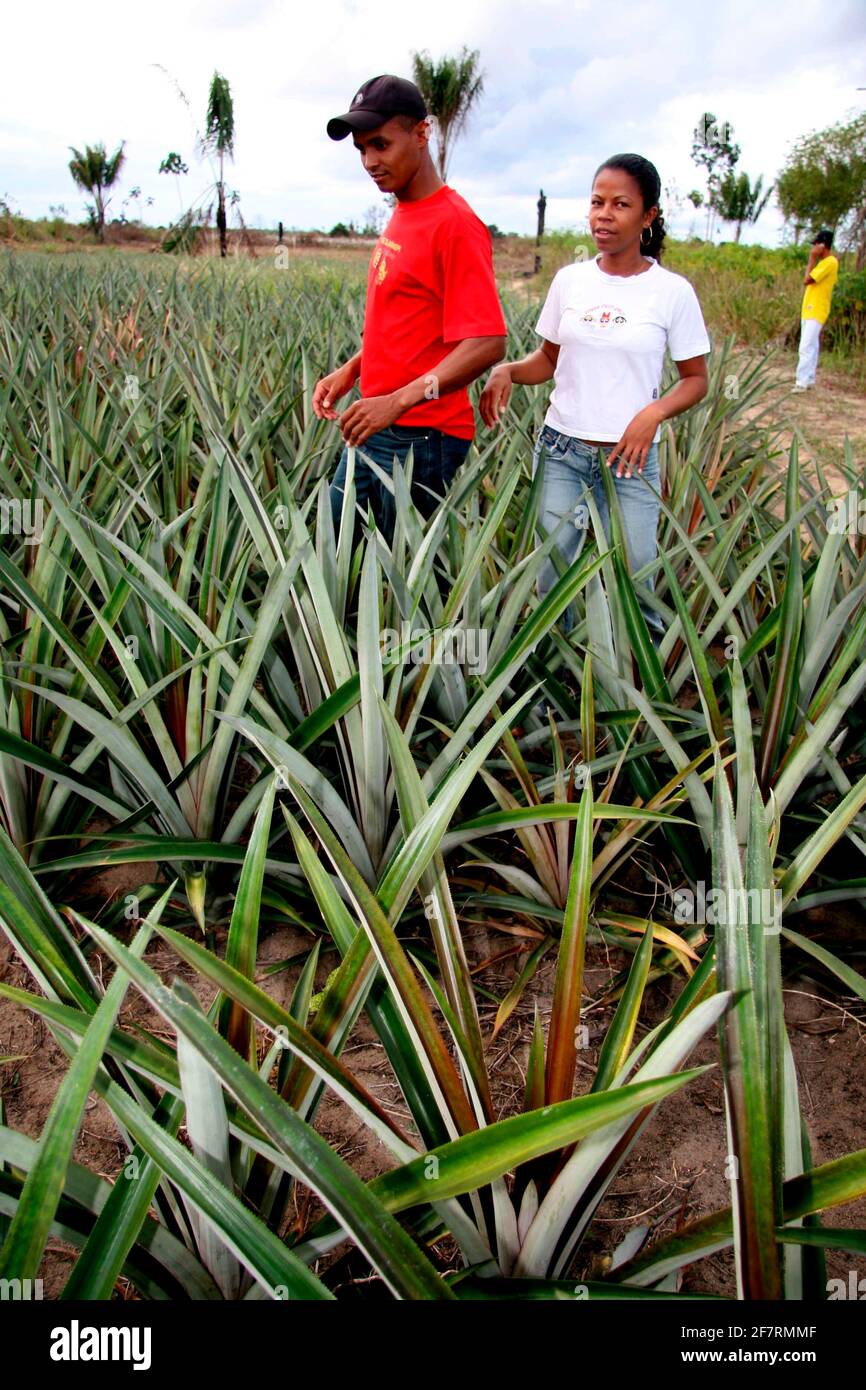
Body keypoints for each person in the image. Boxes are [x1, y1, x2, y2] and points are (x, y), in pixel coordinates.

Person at [480, 152, 710, 647]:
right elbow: (548, 361)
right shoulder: (570, 280)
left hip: (630, 459)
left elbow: (695, 379)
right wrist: (508, 370)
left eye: (621, 204)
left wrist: (653, 412)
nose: (604, 214)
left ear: (648, 216)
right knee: (551, 576)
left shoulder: (672, 292)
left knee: (636, 576)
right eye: (597, 202)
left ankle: (636, 688)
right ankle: (548, 688)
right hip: (562, 450)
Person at [314, 74, 507, 546]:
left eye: (380, 144)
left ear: (422, 134)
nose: (369, 161)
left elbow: (487, 343)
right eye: (361, 149)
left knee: (401, 584)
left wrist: (396, 401)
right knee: (336, 560)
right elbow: (411, 325)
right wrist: (354, 369)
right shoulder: (404, 211)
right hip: (376, 423)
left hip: (421, 437)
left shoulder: (454, 224)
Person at [793, 229, 839, 393]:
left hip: (816, 309)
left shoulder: (829, 262)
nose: (813, 250)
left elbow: (807, 279)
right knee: (811, 345)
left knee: (805, 346)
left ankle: (802, 381)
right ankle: (809, 378)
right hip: (810, 308)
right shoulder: (825, 263)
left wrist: (811, 259)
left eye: (816, 246)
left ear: (822, 245)